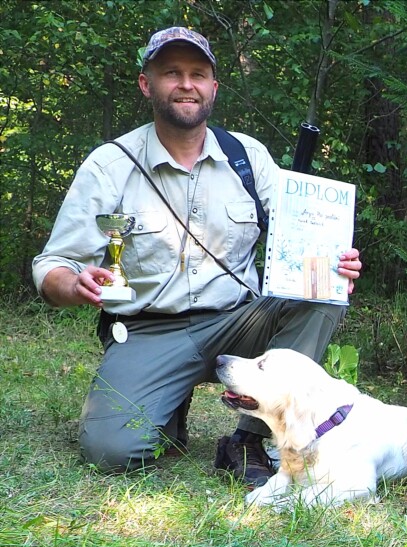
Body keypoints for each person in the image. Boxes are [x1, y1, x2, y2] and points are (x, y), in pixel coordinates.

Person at [31, 27, 362, 485]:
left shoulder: (247, 156)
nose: (186, 84)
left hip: (239, 321)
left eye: (197, 74)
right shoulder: (109, 165)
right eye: (172, 73)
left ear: (213, 88)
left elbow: (302, 239)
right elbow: (52, 264)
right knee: (113, 451)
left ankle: (247, 439)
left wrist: (331, 263)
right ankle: (168, 405)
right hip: (150, 332)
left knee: (323, 296)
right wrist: (73, 283)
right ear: (147, 84)